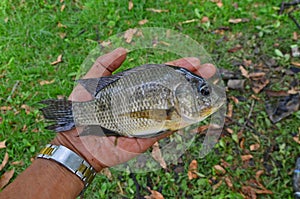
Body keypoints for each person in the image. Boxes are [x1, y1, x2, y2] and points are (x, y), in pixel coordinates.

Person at [0, 48, 216, 198]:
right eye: (203, 93)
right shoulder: (174, 109)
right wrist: (74, 148)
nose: (208, 100)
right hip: (110, 114)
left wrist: (72, 150)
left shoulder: (175, 108)